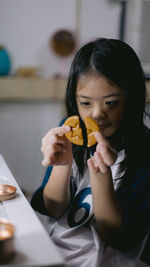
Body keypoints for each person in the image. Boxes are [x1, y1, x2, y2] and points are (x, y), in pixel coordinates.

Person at [31, 38, 150, 267]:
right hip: (54, 254)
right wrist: (61, 165)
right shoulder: (71, 131)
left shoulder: (143, 152)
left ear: (131, 98)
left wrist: (101, 177)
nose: (96, 115)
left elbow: (117, 236)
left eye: (111, 103)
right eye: (86, 103)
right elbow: (53, 209)